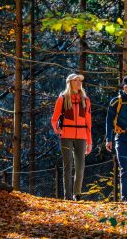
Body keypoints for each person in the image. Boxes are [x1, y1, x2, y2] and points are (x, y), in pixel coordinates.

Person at [51, 73, 92, 201]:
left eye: (80, 80)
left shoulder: (85, 100)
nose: (79, 82)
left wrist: (89, 141)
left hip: (82, 136)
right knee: (68, 166)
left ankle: (77, 194)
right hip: (66, 136)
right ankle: (67, 196)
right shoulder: (62, 99)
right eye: (76, 80)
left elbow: (88, 123)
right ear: (70, 83)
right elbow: (54, 119)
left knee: (80, 167)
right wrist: (58, 130)